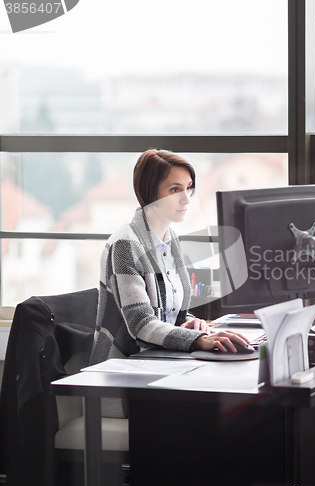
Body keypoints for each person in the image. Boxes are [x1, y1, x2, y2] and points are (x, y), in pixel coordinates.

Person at [90, 149, 249, 417]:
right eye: (175, 189)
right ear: (150, 193)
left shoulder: (170, 238)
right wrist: (198, 339)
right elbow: (141, 324)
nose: (186, 198)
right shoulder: (125, 245)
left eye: (189, 188)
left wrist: (189, 322)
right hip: (122, 379)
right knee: (210, 414)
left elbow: (172, 311)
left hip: (158, 364)